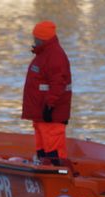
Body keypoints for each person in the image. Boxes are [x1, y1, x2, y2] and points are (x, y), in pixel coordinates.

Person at [21, 20, 72, 166]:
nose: (34, 40)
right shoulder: (44, 54)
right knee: (45, 149)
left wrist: (50, 105)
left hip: (51, 113)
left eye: (36, 37)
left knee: (54, 149)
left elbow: (58, 83)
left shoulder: (54, 55)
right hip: (42, 114)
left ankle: (57, 174)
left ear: (42, 38)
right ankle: (46, 169)